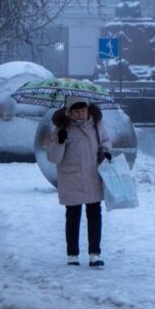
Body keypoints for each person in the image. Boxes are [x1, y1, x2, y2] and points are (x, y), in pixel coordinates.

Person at [47, 96, 112, 268]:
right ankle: (72, 254)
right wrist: (59, 141)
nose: (80, 114)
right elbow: (53, 158)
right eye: (76, 111)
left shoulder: (97, 124)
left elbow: (105, 141)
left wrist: (106, 152)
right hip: (71, 177)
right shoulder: (62, 128)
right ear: (69, 112)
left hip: (92, 175)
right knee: (73, 216)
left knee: (94, 214)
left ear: (88, 109)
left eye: (83, 110)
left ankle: (94, 254)